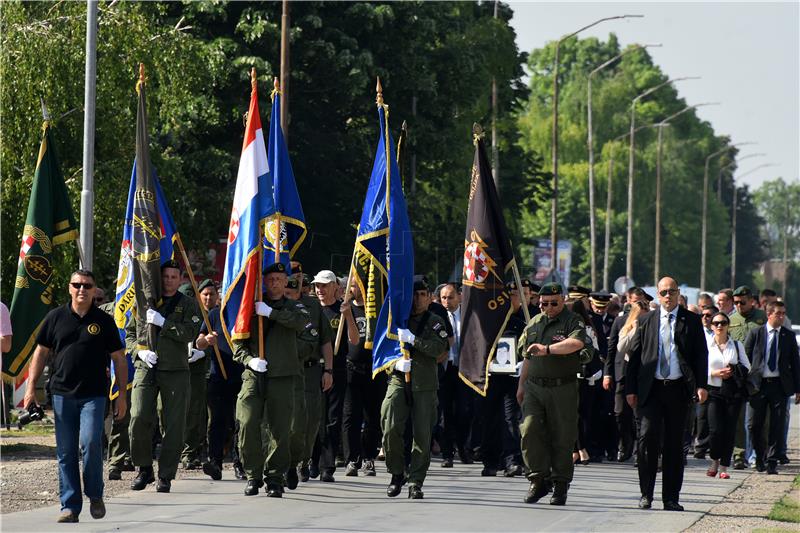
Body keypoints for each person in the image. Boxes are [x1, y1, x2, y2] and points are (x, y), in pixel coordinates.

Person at [24, 270, 128, 523]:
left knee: (91, 444)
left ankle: (95, 494)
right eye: (77, 285)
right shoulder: (55, 317)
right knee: (66, 452)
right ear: (69, 288)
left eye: (87, 286)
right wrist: (30, 389)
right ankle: (69, 506)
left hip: (94, 395)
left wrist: (121, 394)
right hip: (61, 394)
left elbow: (119, 358)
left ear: (94, 290)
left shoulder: (103, 321)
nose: (81, 289)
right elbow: (40, 353)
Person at [626, 277, 708, 512]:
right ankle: (646, 495)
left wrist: (701, 385)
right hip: (651, 390)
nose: (668, 296)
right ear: (658, 295)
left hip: (678, 389)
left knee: (674, 445)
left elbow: (700, 356)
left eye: (672, 292)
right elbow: (634, 357)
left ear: (679, 293)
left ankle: (671, 498)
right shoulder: (646, 320)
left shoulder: (691, 321)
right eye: (663, 292)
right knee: (647, 440)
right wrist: (630, 389)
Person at [233, 262, 309, 497]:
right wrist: (250, 360)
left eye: (279, 279)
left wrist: (272, 313)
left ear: (286, 282)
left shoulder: (296, 307)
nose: (275, 283)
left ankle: (274, 477)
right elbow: (238, 343)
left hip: (283, 375)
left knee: (280, 429)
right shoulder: (251, 307)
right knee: (246, 423)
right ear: (264, 282)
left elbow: (301, 324)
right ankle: (253, 475)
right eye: (270, 279)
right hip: (253, 375)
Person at [128, 260, 202, 494]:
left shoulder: (188, 304)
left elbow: (190, 332)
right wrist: (139, 351)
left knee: (173, 425)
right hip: (146, 367)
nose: (169, 281)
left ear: (180, 279)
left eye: (173, 277)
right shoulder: (144, 302)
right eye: (165, 277)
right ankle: (144, 467)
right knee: (138, 417)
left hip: (175, 370)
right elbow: (129, 334)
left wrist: (164, 323)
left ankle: (166, 475)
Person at [517, 282, 589, 506]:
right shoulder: (534, 323)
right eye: (543, 303)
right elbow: (528, 356)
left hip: (562, 387)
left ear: (562, 300)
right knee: (529, 430)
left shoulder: (572, 320)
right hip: (535, 387)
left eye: (553, 303)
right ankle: (538, 478)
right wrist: (521, 385)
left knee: (562, 437)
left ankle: (560, 484)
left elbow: (576, 343)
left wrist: (547, 349)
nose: (547, 307)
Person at [382, 277, 449, 499]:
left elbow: (438, 349)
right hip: (399, 378)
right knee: (390, 425)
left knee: (422, 434)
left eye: (422, 295)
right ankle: (396, 472)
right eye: (414, 294)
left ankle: (416, 481)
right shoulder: (396, 319)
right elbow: (381, 350)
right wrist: (394, 363)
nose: (418, 299)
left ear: (430, 298)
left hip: (424, 383)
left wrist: (414, 340)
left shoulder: (435, 321)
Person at [284, 276, 334, 486]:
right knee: (287, 421)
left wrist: (328, 370)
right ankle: (286, 463)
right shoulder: (272, 307)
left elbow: (325, 341)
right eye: (285, 294)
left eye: (292, 294)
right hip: (284, 370)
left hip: (311, 371)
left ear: (300, 293)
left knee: (311, 421)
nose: (288, 298)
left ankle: (303, 460)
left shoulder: (313, 307)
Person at [194, 279, 244, 481]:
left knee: (240, 423)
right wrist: (206, 341)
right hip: (218, 376)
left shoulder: (243, 314)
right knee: (217, 422)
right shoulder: (214, 314)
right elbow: (198, 342)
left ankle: (241, 463)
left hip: (241, 377)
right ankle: (215, 462)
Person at [312, 269, 359, 482]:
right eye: (317, 286)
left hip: (337, 369)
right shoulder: (310, 309)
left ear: (335, 287)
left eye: (324, 285)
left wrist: (348, 316)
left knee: (332, 419)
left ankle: (327, 466)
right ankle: (310, 462)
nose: (320, 290)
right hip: (311, 369)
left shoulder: (342, 310)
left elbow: (355, 340)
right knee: (312, 418)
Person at [744, 301, 800, 474]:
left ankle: (772, 460)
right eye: (778, 313)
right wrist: (744, 385)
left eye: (783, 313)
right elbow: (745, 359)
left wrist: (798, 389)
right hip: (758, 386)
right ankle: (759, 456)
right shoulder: (756, 334)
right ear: (769, 314)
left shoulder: (788, 336)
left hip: (779, 386)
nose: (782, 316)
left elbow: (795, 364)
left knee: (777, 424)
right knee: (754, 425)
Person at [479, 281, 525, 477]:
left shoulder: (525, 322)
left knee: (511, 419)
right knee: (489, 418)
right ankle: (490, 461)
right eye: (508, 295)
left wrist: (523, 362)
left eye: (514, 295)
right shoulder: (490, 320)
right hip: (491, 377)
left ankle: (512, 460)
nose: (511, 299)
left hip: (513, 379)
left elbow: (529, 347)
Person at [342, 282, 384, 477]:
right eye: (351, 285)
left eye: (357, 284)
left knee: (372, 417)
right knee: (351, 416)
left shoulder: (378, 310)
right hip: (352, 369)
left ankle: (368, 458)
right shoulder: (346, 309)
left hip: (374, 370)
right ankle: (352, 459)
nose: (353, 288)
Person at [603, 287, 648, 462]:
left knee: (639, 414)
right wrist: (607, 374)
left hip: (642, 373)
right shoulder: (620, 321)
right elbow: (612, 349)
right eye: (634, 300)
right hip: (622, 372)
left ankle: (639, 449)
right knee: (620, 413)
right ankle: (626, 443)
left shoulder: (651, 321)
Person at [705, 311, 750, 479]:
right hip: (713, 391)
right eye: (716, 323)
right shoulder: (706, 345)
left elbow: (747, 366)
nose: (719, 326)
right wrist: (714, 373)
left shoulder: (736, 345)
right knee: (715, 430)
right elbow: (700, 368)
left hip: (733, 392)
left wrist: (733, 370)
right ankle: (714, 460)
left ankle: (724, 465)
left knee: (729, 429)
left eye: (723, 323)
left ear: (728, 325)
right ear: (711, 326)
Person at [437, 282, 472, 467]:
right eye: (443, 297)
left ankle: (463, 448)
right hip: (444, 368)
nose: (447, 301)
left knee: (463, 411)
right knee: (444, 412)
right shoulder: (437, 316)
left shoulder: (468, 315)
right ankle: (447, 453)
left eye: (450, 297)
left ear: (459, 297)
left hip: (463, 368)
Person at [178, 283, 209, 471]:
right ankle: (175, 448)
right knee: (167, 411)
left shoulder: (203, 315)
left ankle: (189, 452)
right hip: (173, 366)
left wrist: (203, 353)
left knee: (193, 411)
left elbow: (212, 339)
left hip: (196, 369)